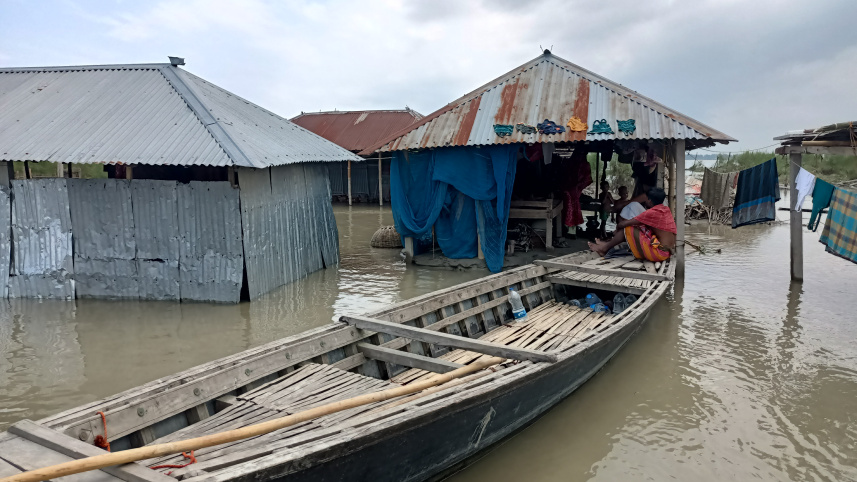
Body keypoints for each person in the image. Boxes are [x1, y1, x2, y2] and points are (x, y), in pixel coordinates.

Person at [588, 188, 676, 261]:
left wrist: (617, 229)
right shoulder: (665, 210)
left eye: (646, 199)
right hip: (667, 252)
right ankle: (606, 245)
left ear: (649, 201)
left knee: (628, 228)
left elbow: (623, 224)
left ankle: (604, 248)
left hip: (659, 253)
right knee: (637, 227)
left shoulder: (652, 213)